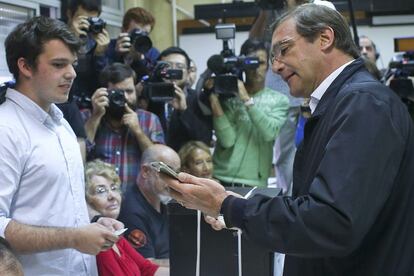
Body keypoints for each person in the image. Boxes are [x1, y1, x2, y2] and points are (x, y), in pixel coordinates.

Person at [164, 4, 414, 275]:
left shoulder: (364, 104)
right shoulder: (345, 102)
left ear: (324, 38)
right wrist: (234, 203)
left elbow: (330, 222)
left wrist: (228, 206)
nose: (276, 66)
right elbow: (317, 208)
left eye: (284, 49)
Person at [0, 16, 123, 275]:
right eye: (59, 64)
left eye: (73, 64)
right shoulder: (6, 130)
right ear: (25, 66)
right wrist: (74, 237)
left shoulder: (60, 122)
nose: (72, 73)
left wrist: (94, 224)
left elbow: (59, 207)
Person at [209, 38, 289, 187]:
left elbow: (269, 133)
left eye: (261, 63)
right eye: (251, 62)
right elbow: (227, 140)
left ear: (269, 65)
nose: (256, 68)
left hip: (255, 181)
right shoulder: (229, 97)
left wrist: (246, 98)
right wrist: (213, 99)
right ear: (242, 65)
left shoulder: (280, 100)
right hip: (221, 177)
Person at [83, 63, 164, 191]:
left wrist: (138, 132)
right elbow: (77, 157)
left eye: (129, 91)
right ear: (104, 92)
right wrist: (95, 117)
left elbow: (159, 164)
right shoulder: (87, 117)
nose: (125, 98)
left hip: (138, 203)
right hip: (97, 201)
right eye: (118, 93)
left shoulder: (149, 120)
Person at [85, 160, 169, 276]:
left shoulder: (118, 236)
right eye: (101, 191)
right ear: (87, 201)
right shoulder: (99, 242)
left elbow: (146, 269)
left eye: (114, 188)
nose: (112, 196)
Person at [118, 144, 181, 266]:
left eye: (176, 173)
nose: (174, 180)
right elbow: (146, 266)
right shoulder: (131, 211)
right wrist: (188, 263)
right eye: (167, 172)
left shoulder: (161, 200)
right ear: (146, 171)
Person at [153, 46, 213, 150]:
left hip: (186, 162)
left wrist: (184, 111)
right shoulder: (150, 97)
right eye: (167, 66)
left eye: (179, 66)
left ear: (188, 72)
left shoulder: (200, 99)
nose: (173, 71)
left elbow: (204, 140)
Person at [63, 0, 110, 108]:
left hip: (89, 105)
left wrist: (99, 55)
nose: (87, 25)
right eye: (83, 19)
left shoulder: (97, 39)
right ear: (70, 14)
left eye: (91, 20)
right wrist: (70, 40)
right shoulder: (56, 33)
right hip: (63, 102)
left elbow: (102, 82)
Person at [106, 7, 159, 72]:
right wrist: (117, 56)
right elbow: (102, 78)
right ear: (123, 30)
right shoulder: (108, 48)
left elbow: (151, 80)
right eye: (137, 32)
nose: (141, 38)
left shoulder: (152, 53)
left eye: (145, 34)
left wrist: (141, 61)